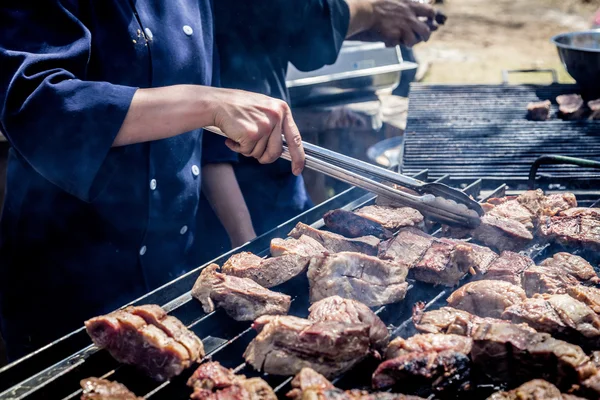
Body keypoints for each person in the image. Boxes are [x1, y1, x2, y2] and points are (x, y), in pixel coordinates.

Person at [0, 1, 305, 360]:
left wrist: (247, 246)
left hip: (171, 277)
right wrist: (207, 102)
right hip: (68, 287)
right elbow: (40, 106)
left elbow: (209, 144)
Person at [196, 0, 438, 259]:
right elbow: (302, 20)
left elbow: (286, 36)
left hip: (280, 177)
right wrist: (244, 241)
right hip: (229, 199)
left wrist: (368, 26)